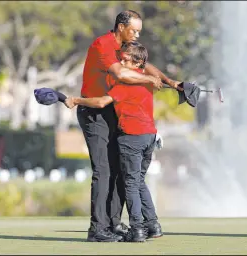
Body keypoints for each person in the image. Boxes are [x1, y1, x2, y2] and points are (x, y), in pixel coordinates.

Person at [76, 10, 182, 242]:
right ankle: (97, 229)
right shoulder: (103, 45)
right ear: (120, 27)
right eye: (133, 30)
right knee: (103, 170)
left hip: (112, 110)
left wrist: (170, 82)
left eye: (139, 31)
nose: (136, 34)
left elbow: (143, 66)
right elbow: (121, 73)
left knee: (121, 171)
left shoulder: (124, 49)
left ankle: (113, 223)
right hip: (94, 111)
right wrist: (148, 80)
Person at [66, 42, 165, 242]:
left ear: (138, 63)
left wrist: (76, 101)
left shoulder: (125, 84)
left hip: (132, 138)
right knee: (138, 182)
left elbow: (101, 102)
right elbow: (152, 74)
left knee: (129, 184)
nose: (120, 61)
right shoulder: (148, 82)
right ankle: (153, 225)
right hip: (149, 137)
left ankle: (137, 229)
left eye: (126, 59)